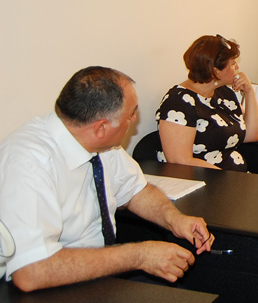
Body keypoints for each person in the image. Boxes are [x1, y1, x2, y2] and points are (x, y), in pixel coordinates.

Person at [0, 66, 214, 291]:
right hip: (46, 287)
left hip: (97, 273)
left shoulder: (100, 143)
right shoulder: (28, 163)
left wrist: (175, 220)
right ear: (101, 127)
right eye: (130, 115)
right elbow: (31, 273)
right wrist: (140, 255)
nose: (134, 119)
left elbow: (135, 190)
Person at [157, 34, 258, 172]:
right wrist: (227, 178)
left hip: (232, 177)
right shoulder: (178, 102)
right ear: (215, 71)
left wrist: (249, 92)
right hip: (205, 179)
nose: (237, 66)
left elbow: (252, 135)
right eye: (232, 64)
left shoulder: (223, 93)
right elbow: (180, 160)